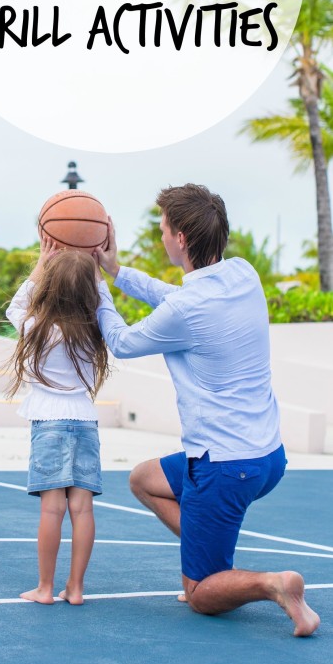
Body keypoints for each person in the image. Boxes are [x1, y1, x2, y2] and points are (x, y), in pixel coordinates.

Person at [94, 183, 320, 637]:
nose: (160, 237)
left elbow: (120, 341)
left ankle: (271, 585)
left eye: (163, 230)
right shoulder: (243, 274)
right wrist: (116, 271)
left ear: (180, 239)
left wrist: (97, 289)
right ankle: (212, 555)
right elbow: (176, 301)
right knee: (143, 480)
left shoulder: (187, 309)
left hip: (222, 466)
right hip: (268, 458)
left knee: (199, 594)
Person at [6, 236, 110, 605]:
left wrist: (41, 262)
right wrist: (99, 271)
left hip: (49, 422)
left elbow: (16, 306)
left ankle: (46, 588)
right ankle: (77, 589)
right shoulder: (96, 330)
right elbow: (106, 308)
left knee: (52, 509)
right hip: (84, 421)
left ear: (50, 287)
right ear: (90, 293)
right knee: (82, 509)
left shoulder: (36, 328)